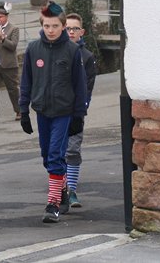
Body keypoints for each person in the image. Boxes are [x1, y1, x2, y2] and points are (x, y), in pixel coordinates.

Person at [19, 1, 87, 224]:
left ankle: (53, 203)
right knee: (46, 156)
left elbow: (80, 86)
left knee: (56, 155)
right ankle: (63, 190)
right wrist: (24, 110)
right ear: (42, 26)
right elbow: (26, 82)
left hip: (63, 111)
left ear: (63, 26)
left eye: (55, 26)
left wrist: (79, 116)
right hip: (42, 110)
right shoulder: (33, 49)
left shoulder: (72, 51)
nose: (51, 30)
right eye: (47, 26)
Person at [64, 13, 97, 208]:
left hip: (75, 111)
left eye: (75, 29)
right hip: (56, 110)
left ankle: (72, 190)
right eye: (68, 28)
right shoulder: (56, 52)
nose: (71, 32)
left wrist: (82, 109)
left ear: (81, 32)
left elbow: (88, 87)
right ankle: (60, 189)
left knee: (73, 150)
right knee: (56, 152)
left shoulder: (87, 57)